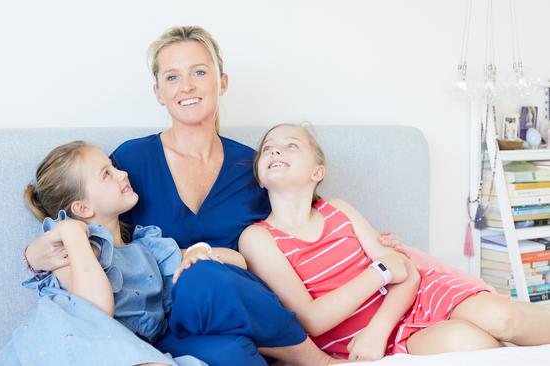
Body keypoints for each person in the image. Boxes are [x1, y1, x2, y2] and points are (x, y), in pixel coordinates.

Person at [25, 25, 391, 365]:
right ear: (158, 92)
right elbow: (88, 227)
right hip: (161, 328)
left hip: (229, 305)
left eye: (199, 72)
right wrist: (33, 255)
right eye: (172, 76)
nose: (186, 86)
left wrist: (375, 249)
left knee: (217, 309)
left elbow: (307, 224)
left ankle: (312, 359)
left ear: (222, 81)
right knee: (216, 313)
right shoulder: (131, 162)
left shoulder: (254, 166)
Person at [239, 123, 550, 361]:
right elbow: (313, 319)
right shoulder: (259, 238)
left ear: (317, 172)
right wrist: (380, 272)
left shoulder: (338, 210)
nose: (275, 151)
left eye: (290, 145)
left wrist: (379, 325)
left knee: (502, 318)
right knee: (473, 345)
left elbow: (407, 272)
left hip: (414, 300)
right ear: (259, 173)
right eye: (268, 148)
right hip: (382, 338)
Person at [0, 141, 211, 366]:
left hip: (126, 349)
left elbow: (235, 259)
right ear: (83, 208)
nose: (123, 173)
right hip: (64, 343)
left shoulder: (146, 249)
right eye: (106, 174)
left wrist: (203, 250)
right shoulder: (71, 253)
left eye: (113, 167)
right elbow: (96, 309)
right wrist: (72, 234)